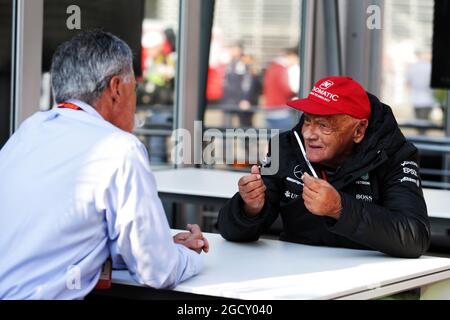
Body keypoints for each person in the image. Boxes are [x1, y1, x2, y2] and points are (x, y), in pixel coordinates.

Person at [0, 31, 208, 300]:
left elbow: (60, 241)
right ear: (116, 88)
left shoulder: (30, 130)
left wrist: (159, 244)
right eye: (135, 88)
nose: (135, 101)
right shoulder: (119, 148)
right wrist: (189, 255)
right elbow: (157, 270)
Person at [218, 76, 430, 258]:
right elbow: (231, 232)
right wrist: (249, 208)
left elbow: (414, 237)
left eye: (323, 125)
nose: (309, 134)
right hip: (292, 275)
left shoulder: (395, 155)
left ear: (359, 130)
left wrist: (340, 208)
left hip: (368, 283)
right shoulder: (286, 147)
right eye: (308, 121)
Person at [262, 47, 299, 130]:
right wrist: (297, 93)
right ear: (291, 56)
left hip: (270, 109)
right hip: (281, 110)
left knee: (274, 140)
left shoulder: (271, 68)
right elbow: (286, 90)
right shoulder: (282, 69)